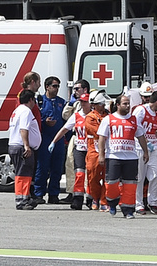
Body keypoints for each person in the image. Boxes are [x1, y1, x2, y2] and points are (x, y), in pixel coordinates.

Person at [97, 95, 149, 219]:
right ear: (118, 105)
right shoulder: (109, 119)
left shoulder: (134, 120)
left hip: (131, 157)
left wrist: (145, 152)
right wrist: (101, 155)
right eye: (124, 104)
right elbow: (101, 138)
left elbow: (141, 136)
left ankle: (128, 209)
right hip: (113, 156)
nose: (127, 106)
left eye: (128, 104)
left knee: (130, 185)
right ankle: (112, 201)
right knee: (111, 183)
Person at [48, 93, 91, 210]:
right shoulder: (76, 116)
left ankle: (92, 199)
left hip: (92, 149)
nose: (83, 104)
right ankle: (77, 199)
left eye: (85, 101)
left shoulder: (94, 115)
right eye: (81, 101)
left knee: (92, 175)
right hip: (79, 148)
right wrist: (54, 142)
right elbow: (64, 129)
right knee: (79, 173)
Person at [133, 90, 157, 215]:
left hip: (153, 148)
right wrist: (144, 143)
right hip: (139, 147)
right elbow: (136, 128)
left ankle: (153, 201)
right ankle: (138, 204)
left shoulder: (155, 114)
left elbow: (154, 132)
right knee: (139, 177)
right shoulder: (141, 110)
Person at [34, 76, 66, 204]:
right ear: (47, 87)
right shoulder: (39, 102)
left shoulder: (62, 102)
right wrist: (45, 122)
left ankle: (54, 194)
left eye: (58, 86)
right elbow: (35, 120)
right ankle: (39, 193)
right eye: (54, 86)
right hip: (45, 139)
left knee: (57, 169)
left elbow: (66, 120)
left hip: (58, 140)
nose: (56, 88)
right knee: (42, 167)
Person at [9, 90, 41, 210]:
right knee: (23, 175)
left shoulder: (17, 110)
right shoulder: (26, 111)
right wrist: (27, 146)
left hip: (15, 145)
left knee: (23, 173)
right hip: (21, 147)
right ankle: (21, 201)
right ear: (31, 100)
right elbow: (24, 129)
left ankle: (25, 198)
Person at [60, 79, 90, 204]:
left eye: (77, 89)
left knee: (87, 167)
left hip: (88, 136)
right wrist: (70, 104)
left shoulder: (89, 101)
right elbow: (65, 116)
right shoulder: (74, 103)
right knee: (71, 163)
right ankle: (72, 192)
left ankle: (88, 193)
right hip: (75, 135)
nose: (75, 91)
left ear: (85, 90)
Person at [85, 89, 111, 211]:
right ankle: (95, 197)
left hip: (108, 149)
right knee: (93, 176)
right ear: (94, 104)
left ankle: (104, 200)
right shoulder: (90, 117)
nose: (103, 106)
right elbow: (97, 132)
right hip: (93, 150)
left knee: (108, 177)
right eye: (101, 104)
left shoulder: (109, 116)